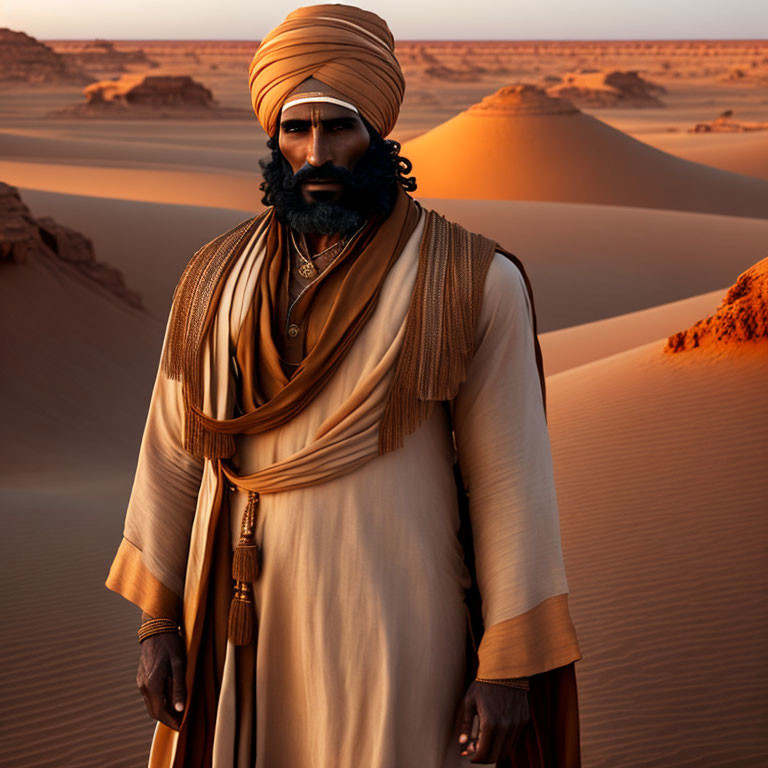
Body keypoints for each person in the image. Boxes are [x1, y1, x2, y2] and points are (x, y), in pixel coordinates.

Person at [106, 5, 582, 767]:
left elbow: (511, 482)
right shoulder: (211, 279)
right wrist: (158, 624)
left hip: (396, 629)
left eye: (339, 128)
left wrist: (508, 667)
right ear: (274, 138)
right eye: (296, 131)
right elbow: (172, 451)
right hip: (240, 625)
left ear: (380, 133)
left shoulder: (470, 280)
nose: (316, 153)